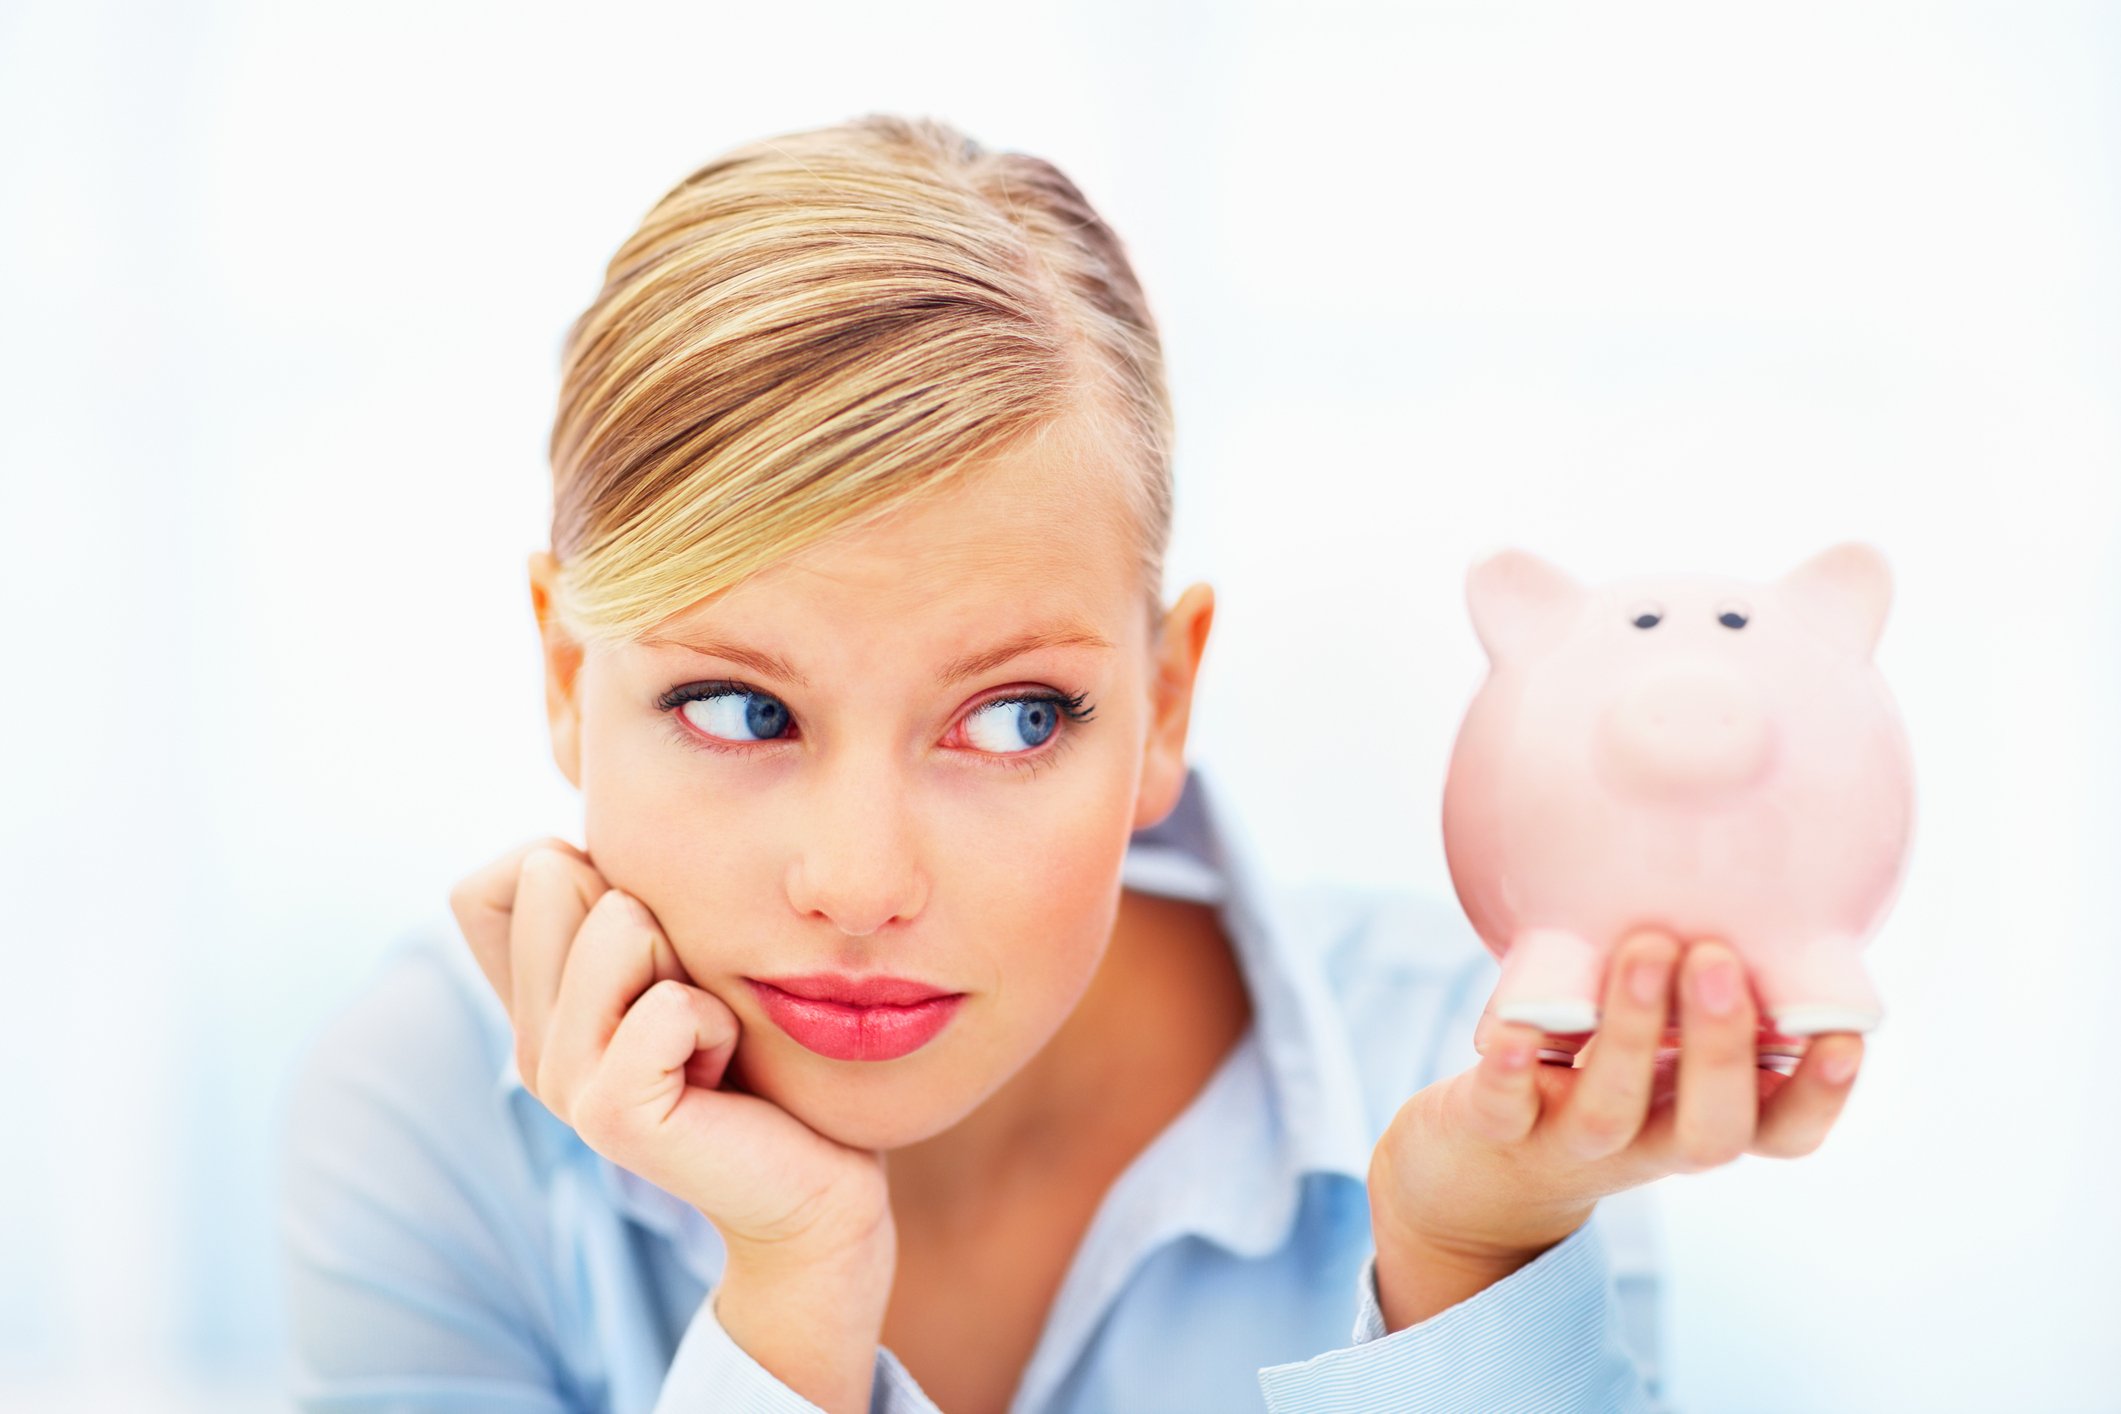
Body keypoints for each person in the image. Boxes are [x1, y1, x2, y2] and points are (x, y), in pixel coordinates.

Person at [274, 114, 1864, 1414]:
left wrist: (1465, 1272)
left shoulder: (1491, 1080)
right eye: (740, 708)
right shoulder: (435, 1108)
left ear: (1167, 702)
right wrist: (789, 1293)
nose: (858, 881)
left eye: (1015, 716)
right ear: (565, 677)